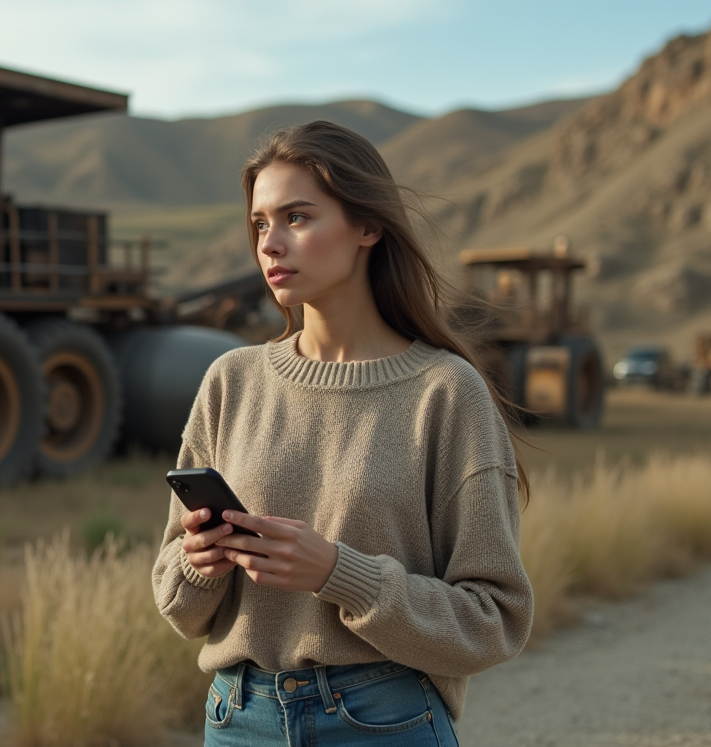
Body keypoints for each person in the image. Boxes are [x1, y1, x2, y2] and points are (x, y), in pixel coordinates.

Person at [152, 120, 534, 746]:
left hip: (382, 719)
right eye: (259, 224)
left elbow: (494, 620)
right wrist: (199, 564)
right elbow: (177, 604)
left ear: (367, 226)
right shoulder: (232, 380)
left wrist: (338, 571)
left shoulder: (445, 392)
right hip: (237, 720)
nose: (270, 244)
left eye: (297, 217)